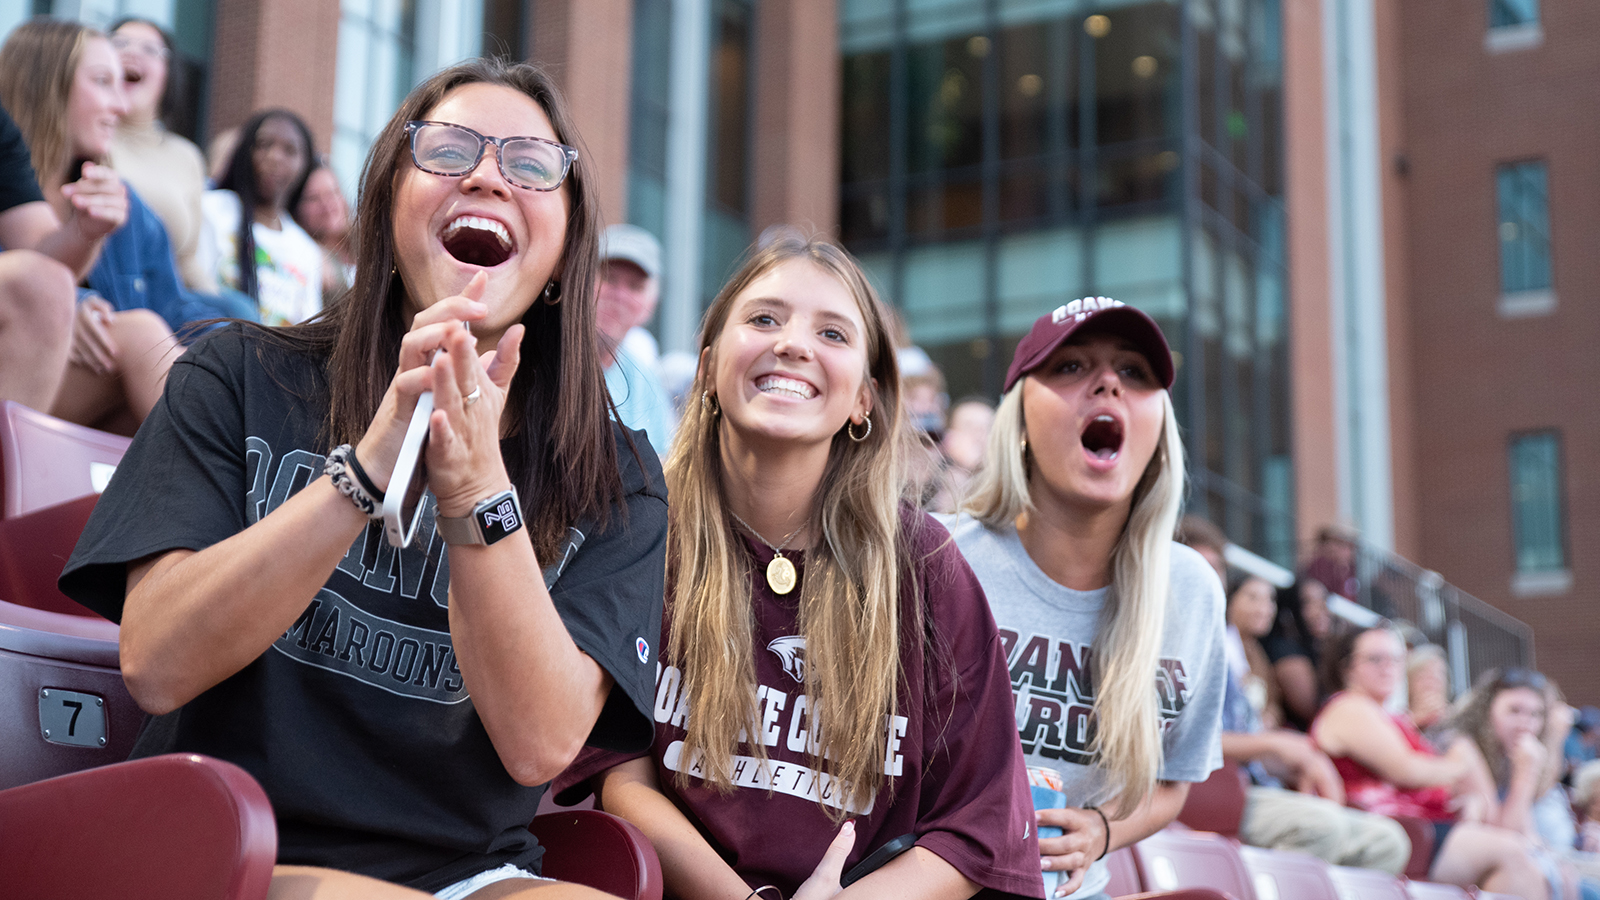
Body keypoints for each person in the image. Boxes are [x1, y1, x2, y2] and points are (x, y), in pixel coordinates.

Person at [61, 58, 667, 898]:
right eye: (449, 150)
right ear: (385, 211)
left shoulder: (616, 476)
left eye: (531, 165)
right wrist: (365, 472)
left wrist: (476, 491)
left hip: (469, 874)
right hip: (227, 848)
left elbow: (539, 745)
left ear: (565, 256)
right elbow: (157, 662)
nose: (488, 175)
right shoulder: (238, 375)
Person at [555, 236, 1045, 900]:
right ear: (706, 369)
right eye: (763, 319)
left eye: (833, 333)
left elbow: (975, 828)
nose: (792, 344)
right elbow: (621, 775)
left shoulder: (927, 565)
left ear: (864, 400)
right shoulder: (641, 532)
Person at [947, 298, 1227, 899]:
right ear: (1018, 418)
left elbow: (1174, 781)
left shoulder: (1192, 591)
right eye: (1071, 367)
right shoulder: (941, 558)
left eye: (1135, 372)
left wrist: (1100, 830)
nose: (1107, 383)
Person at [0, 19, 179, 434]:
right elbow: (36, 278)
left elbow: (177, 308)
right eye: (103, 82)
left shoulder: (117, 201)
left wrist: (241, 342)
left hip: (52, 374)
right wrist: (74, 302)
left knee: (145, 350)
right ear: (46, 87)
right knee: (139, 337)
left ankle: (251, 489)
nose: (120, 105)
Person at [1312, 625, 1550, 899]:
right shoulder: (1350, 707)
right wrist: (1460, 762)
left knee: (1532, 864)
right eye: (1375, 659)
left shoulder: (1387, 715)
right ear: (1347, 667)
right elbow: (1406, 770)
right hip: (1391, 833)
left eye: (1396, 659)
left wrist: (1466, 801)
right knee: (1511, 853)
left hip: (1418, 829)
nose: (1388, 668)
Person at [1448, 668, 1598, 898]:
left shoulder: (1508, 755)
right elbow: (1503, 834)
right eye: (1514, 711)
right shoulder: (1464, 747)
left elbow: (1528, 834)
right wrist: (1526, 774)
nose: (1524, 723)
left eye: (1535, 714)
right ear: (1487, 712)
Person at [107, 17, 214, 292]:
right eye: (119, 43)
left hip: (171, 299)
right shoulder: (88, 137)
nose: (132, 52)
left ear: (169, 74)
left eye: (150, 49)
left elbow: (188, 262)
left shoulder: (187, 156)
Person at [201, 107, 321, 325]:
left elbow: (309, 331)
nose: (275, 157)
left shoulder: (307, 252)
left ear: (305, 166)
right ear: (245, 152)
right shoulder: (212, 210)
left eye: (290, 150)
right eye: (264, 145)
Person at [595, 223, 675, 457]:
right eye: (609, 278)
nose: (620, 296)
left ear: (649, 307)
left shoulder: (646, 383)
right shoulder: (544, 354)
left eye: (634, 287)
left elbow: (663, 468)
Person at [1263, 577, 1334, 728]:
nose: (1321, 609)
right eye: (1309, 602)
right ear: (1291, 610)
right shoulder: (1285, 651)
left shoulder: (1318, 647)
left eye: (1324, 600)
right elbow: (1312, 712)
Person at [1227, 574, 1285, 731]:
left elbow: (1273, 703)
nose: (1265, 609)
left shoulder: (1258, 651)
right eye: (1253, 598)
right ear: (1230, 602)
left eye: (1270, 600)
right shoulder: (1221, 648)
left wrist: (1271, 717)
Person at [295, 161, 356, 297]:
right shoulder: (305, 258)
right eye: (313, 198)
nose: (327, 204)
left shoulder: (370, 244)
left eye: (332, 192)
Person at [1409, 644, 1453, 737]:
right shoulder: (1395, 720)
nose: (1432, 682)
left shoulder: (1457, 717)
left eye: (1439, 675)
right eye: (1424, 676)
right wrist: (1416, 721)